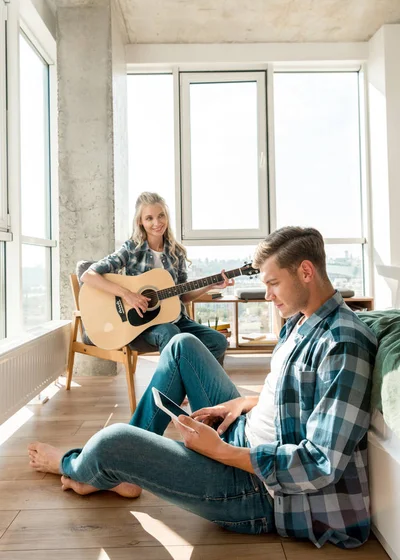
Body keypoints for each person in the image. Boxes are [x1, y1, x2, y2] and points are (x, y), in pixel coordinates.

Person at [28, 226, 378, 549]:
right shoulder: (302, 320)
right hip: (243, 434)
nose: (268, 295)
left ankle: (73, 465)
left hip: (263, 491)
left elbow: (320, 464)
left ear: (305, 272)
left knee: (112, 441)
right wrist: (242, 402)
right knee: (182, 346)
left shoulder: (342, 344)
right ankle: (122, 474)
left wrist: (220, 452)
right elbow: (296, 396)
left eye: (273, 283)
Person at [80, 191, 231, 364]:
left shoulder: (176, 252)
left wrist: (209, 285)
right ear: (140, 222)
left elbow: (183, 296)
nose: (157, 223)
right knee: (171, 333)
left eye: (161, 216)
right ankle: (173, 389)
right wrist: (127, 294)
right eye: (149, 218)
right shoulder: (132, 250)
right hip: (140, 327)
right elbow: (88, 275)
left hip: (177, 320)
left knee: (218, 341)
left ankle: (202, 386)